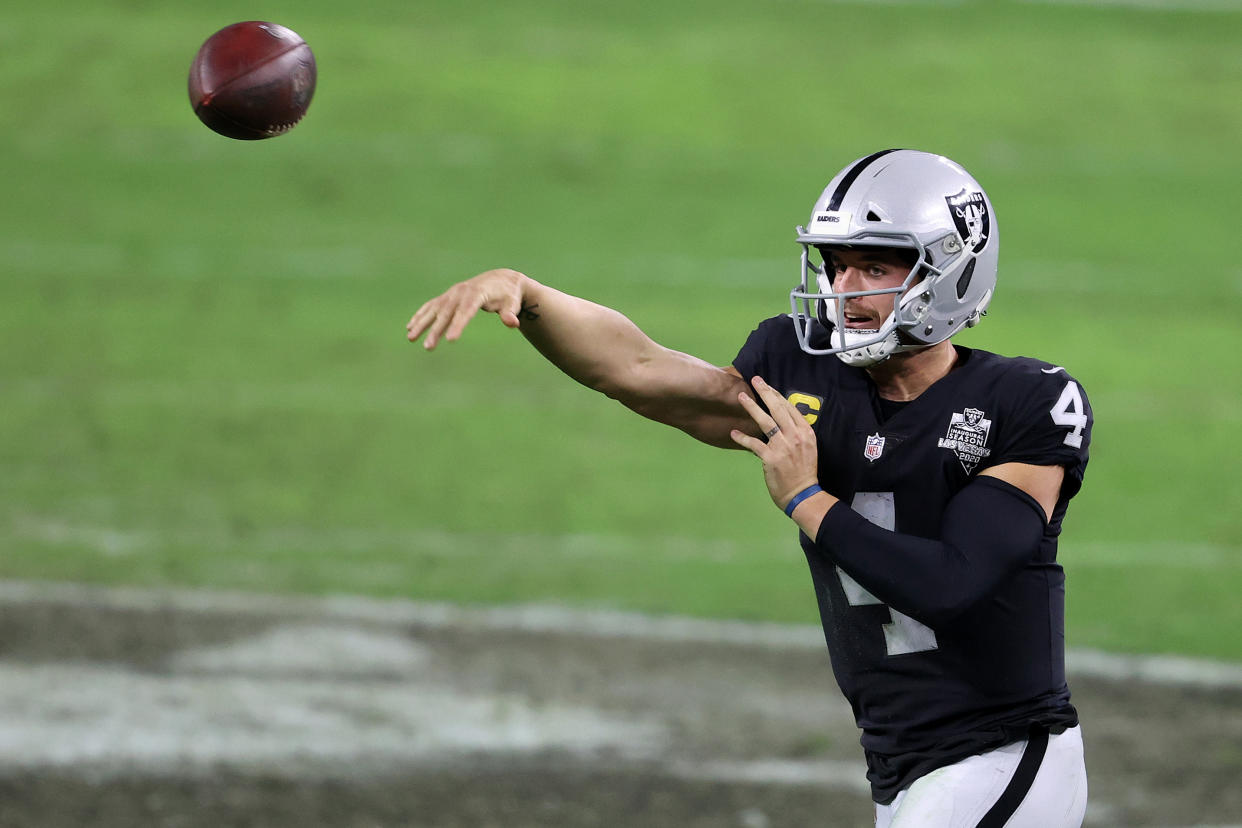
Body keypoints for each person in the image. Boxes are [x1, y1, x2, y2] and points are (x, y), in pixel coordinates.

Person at [406, 149, 1092, 826]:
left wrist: (807, 500)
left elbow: (954, 581)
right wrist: (530, 297)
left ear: (950, 271)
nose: (844, 287)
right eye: (836, 264)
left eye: (875, 267)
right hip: (901, 761)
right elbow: (641, 370)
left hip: (1003, 751)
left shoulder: (1026, 401)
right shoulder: (800, 371)